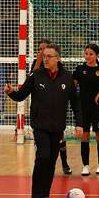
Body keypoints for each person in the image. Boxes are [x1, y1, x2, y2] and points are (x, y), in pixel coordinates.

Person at [5, 44, 83, 198]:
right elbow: (21, 95)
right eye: (44, 56)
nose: (45, 59)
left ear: (58, 58)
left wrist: (80, 124)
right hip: (40, 125)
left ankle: (45, 197)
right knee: (43, 158)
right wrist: (11, 92)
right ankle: (35, 197)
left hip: (57, 127)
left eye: (49, 56)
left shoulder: (67, 77)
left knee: (51, 162)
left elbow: (76, 103)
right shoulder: (36, 75)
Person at [30, 39, 72, 175]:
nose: (42, 53)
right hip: (41, 114)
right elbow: (32, 77)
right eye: (40, 50)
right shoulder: (37, 68)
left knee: (60, 142)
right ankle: (38, 190)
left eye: (45, 50)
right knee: (43, 155)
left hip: (56, 116)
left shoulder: (63, 72)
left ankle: (65, 163)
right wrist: (38, 59)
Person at [73, 43, 99, 176]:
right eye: (86, 53)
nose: (88, 56)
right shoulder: (80, 69)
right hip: (83, 108)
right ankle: (85, 166)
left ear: (97, 55)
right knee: (85, 136)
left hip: (98, 108)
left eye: (91, 54)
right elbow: (73, 84)